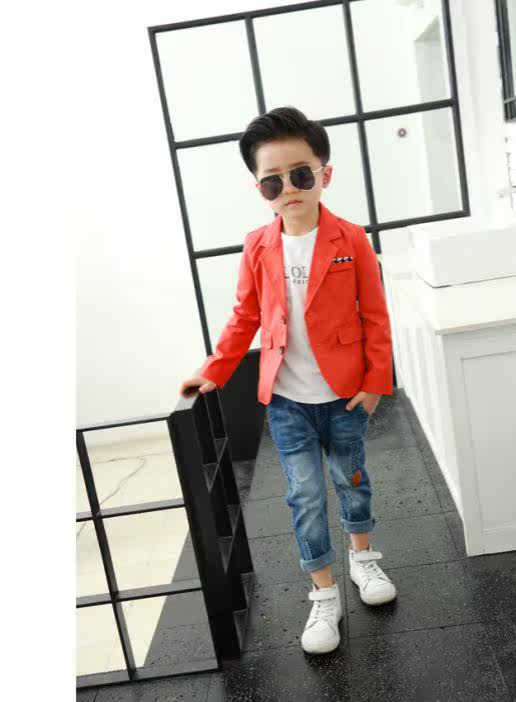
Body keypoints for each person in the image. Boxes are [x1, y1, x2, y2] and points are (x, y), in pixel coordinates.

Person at [180, 106, 397, 655]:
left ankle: (362, 559)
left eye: (300, 174)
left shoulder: (351, 238)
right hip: (286, 400)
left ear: (325, 173)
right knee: (304, 494)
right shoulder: (257, 245)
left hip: (345, 394)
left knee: (351, 479)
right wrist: (213, 371)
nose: (289, 189)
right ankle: (323, 593)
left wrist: (376, 382)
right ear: (260, 189)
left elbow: (375, 316)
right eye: (272, 181)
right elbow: (244, 317)